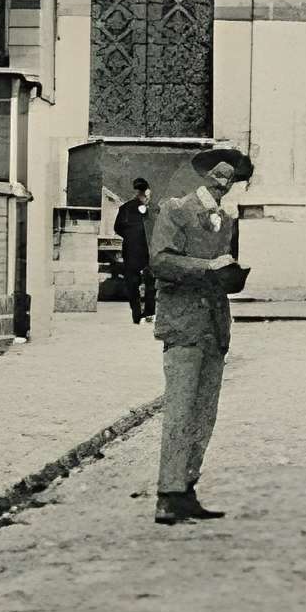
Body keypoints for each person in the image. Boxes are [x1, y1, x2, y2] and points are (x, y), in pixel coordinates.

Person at [148, 146, 253, 525]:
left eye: (232, 179)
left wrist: (230, 277)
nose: (224, 184)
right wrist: (209, 267)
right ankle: (167, 494)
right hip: (182, 323)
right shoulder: (175, 209)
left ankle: (186, 489)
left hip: (214, 326)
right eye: (219, 176)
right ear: (204, 175)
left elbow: (219, 268)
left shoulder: (225, 220)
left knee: (204, 413)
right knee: (179, 410)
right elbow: (160, 261)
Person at [114, 178, 157, 326]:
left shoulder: (125, 208)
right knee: (151, 282)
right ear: (144, 193)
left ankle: (137, 315)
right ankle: (150, 313)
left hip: (131, 250)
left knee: (132, 283)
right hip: (147, 251)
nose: (148, 199)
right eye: (148, 196)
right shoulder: (150, 211)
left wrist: (129, 236)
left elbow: (117, 228)